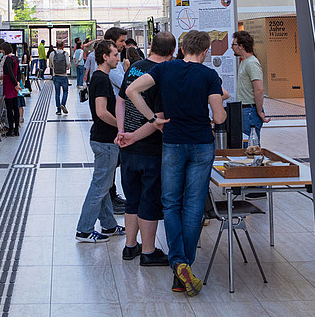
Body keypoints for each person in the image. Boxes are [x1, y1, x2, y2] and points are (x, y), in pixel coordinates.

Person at [126, 30, 226, 297]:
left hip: (171, 143)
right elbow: (219, 116)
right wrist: (218, 107)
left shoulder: (165, 69)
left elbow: (131, 90)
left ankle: (179, 266)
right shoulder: (209, 76)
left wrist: (152, 119)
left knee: (170, 203)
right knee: (193, 206)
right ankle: (183, 266)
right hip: (201, 145)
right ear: (205, 52)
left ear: (181, 48)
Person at [114, 31, 176, 266]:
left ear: (151, 47)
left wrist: (122, 131)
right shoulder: (162, 75)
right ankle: (148, 252)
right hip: (148, 148)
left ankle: (130, 246)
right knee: (149, 199)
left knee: (132, 198)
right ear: (172, 51)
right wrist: (132, 136)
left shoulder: (135, 67)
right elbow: (157, 120)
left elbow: (121, 100)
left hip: (126, 147)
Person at [75, 40, 124, 242]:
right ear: (105, 57)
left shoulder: (99, 77)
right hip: (105, 140)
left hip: (102, 138)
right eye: (114, 55)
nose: (118, 58)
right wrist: (121, 127)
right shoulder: (102, 79)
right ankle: (84, 230)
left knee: (103, 186)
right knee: (99, 187)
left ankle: (108, 226)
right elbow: (102, 112)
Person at [232, 31, 270, 142]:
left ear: (241, 46)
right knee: (245, 145)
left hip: (250, 111)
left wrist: (259, 111)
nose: (231, 47)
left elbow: (259, 89)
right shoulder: (244, 62)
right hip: (245, 110)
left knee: (250, 146)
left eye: (233, 44)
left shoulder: (251, 63)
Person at [1, 42, 20, 136]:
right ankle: (16, 129)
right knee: (15, 108)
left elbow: (10, 73)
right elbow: (18, 72)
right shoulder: (16, 58)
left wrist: (15, 84)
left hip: (9, 85)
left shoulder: (8, 59)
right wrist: (18, 83)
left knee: (9, 108)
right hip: (15, 85)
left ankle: (11, 129)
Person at [50, 40, 71, 116]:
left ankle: (58, 110)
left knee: (57, 93)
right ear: (63, 46)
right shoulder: (65, 53)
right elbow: (68, 64)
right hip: (64, 75)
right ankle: (63, 104)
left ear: (56, 46)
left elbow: (51, 65)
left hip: (56, 76)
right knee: (65, 91)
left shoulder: (52, 53)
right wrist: (67, 68)